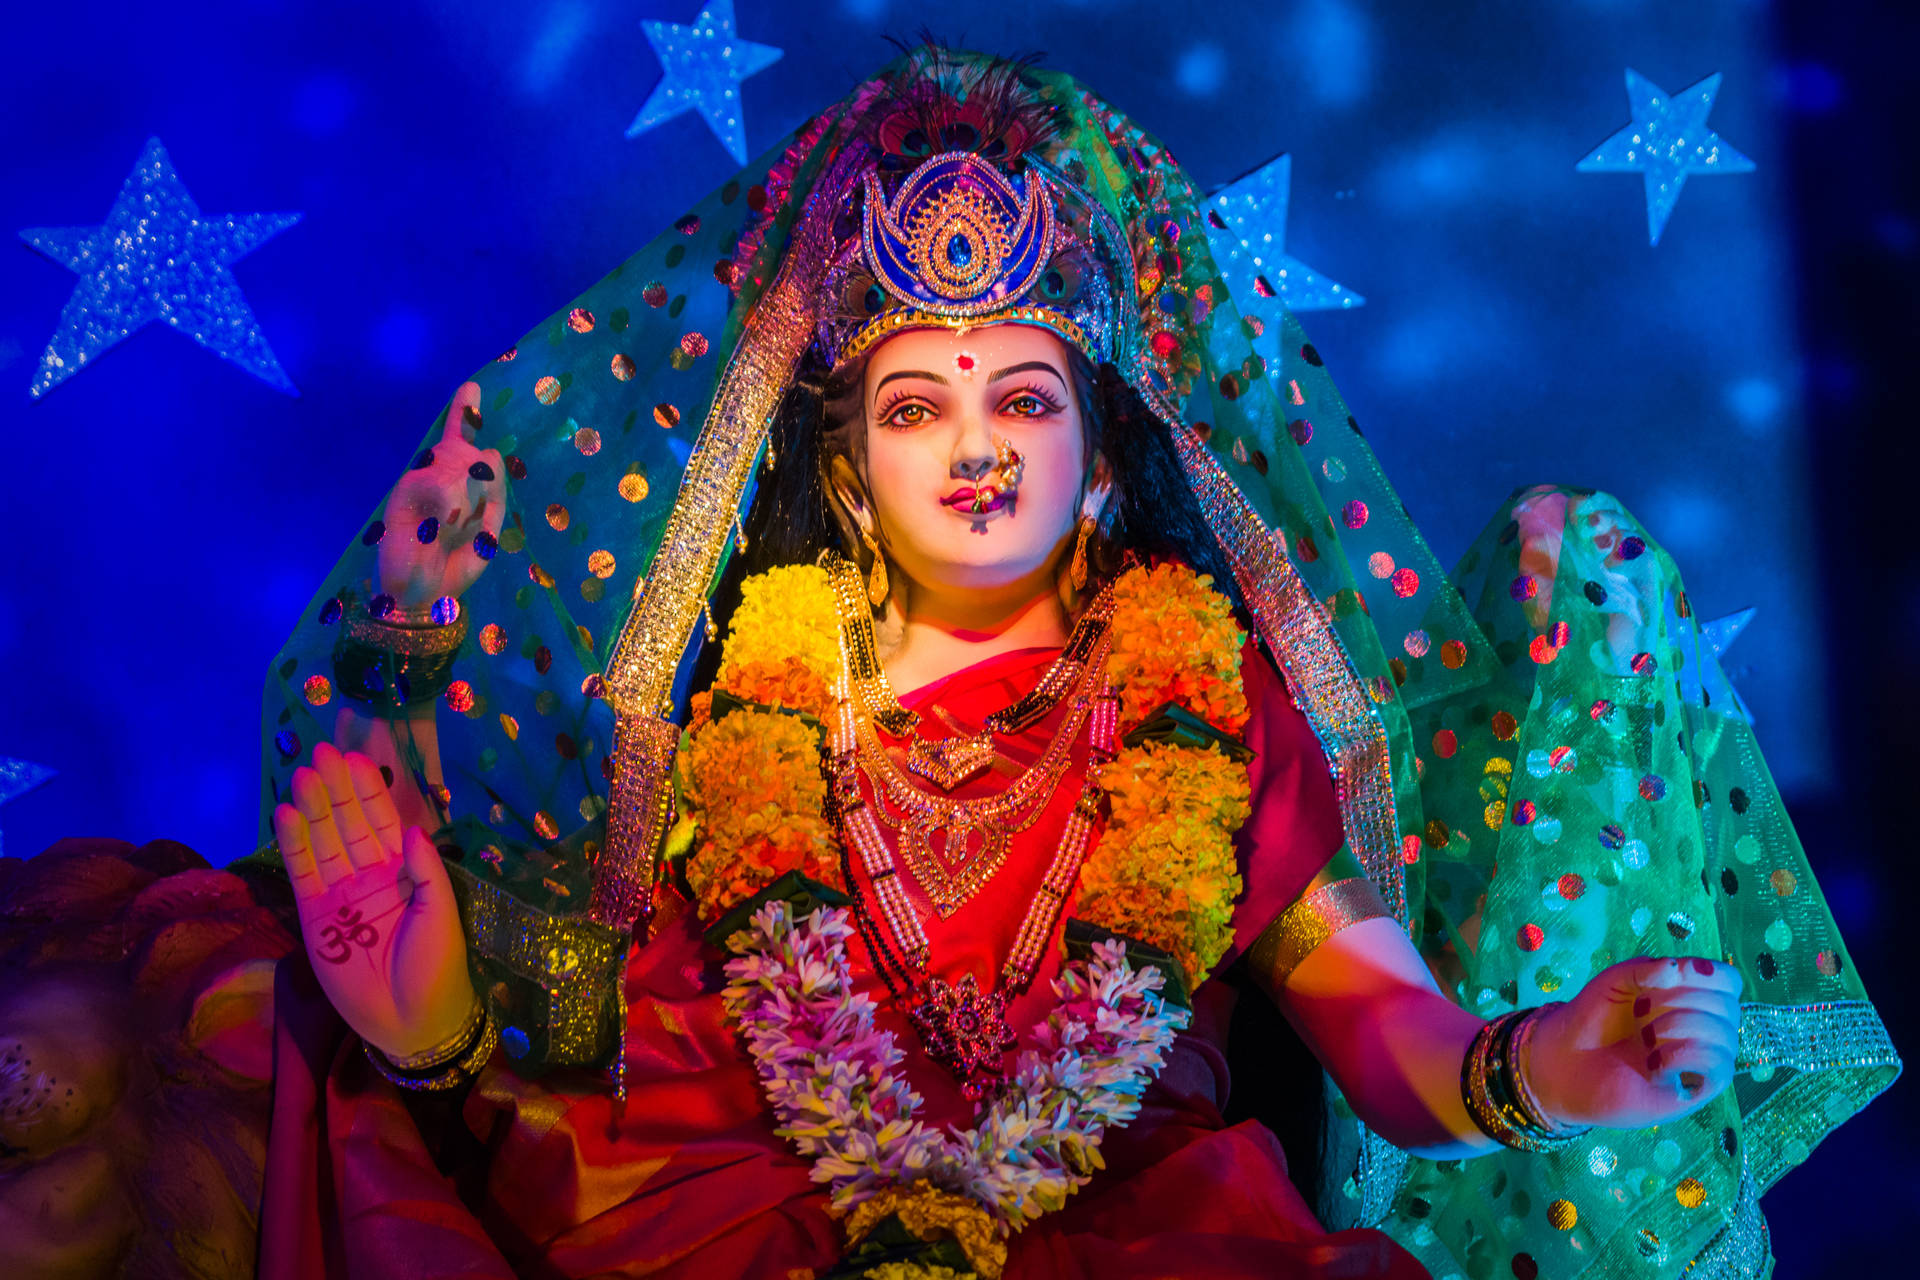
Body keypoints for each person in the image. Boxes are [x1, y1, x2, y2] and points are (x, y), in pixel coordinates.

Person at [241, 41, 1896, 1280]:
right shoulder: (724, 717)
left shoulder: (1215, 709)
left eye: (1023, 397)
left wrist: (1539, 1067)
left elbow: (1385, 1042)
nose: (975, 445)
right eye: (915, 406)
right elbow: (631, 1109)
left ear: (1102, 458)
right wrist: (433, 1031)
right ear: (845, 471)